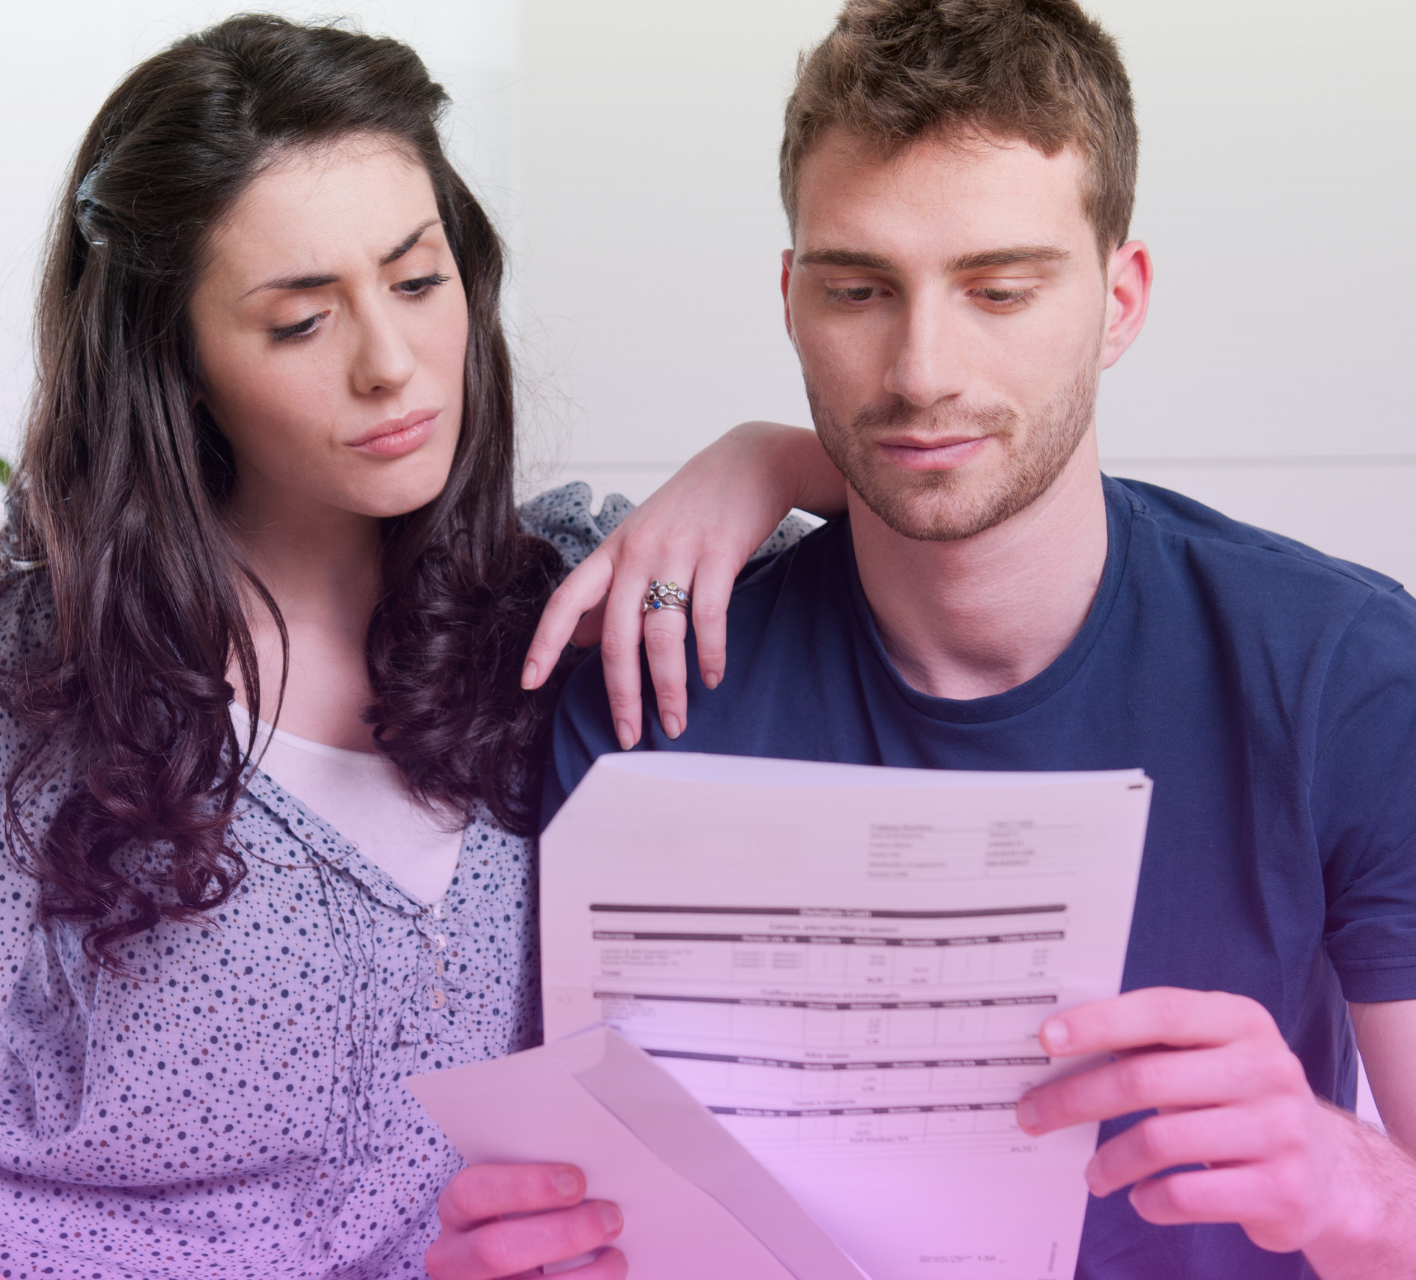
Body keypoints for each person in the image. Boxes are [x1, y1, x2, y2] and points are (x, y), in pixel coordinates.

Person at [0, 15, 843, 1280]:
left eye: (418, 283)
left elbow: (969, 511)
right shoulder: (47, 678)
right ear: (180, 364)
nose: (392, 364)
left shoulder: (567, 598)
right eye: (301, 321)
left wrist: (769, 456)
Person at [531, 1, 1416, 1278]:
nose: (921, 368)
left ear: (1120, 301)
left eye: (1000, 288)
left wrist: (1354, 1182)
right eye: (858, 289)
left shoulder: (1344, 674)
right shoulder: (651, 682)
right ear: (789, 301)